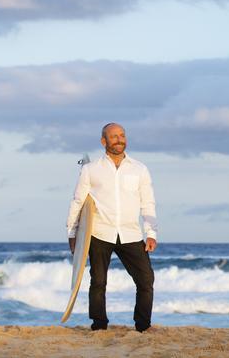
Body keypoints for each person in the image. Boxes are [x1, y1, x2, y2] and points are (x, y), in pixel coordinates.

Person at [66, 123, 157, 332]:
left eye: (122, 135)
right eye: (114, 136)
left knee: (145, 279)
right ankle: (99, 325)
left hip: (131, 233)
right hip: (99, 232)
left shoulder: (139, 169)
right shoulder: (90, 169)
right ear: (103, 141)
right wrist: (72, 232)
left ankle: (143, 325)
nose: (119, 139)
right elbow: (78, 201)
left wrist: (151, 233)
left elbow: (148, 202)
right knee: (98, 281)